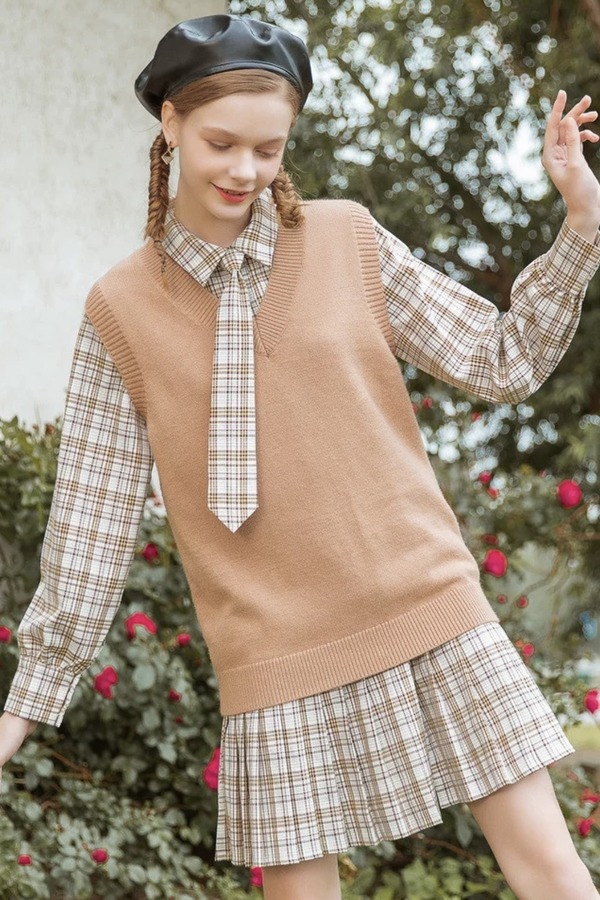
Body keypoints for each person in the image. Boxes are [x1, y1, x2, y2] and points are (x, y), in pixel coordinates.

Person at [1, 13, 599, 900]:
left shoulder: (346, 238)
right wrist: (25, 706)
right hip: (273, 654)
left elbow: (500, 358)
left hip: (428, 606)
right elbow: (93, 519)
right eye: (221, 143)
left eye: (268, 149)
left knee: (552, 871)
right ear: (169, 122)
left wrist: (581, 221)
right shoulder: (119, 310)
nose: (245, 171)